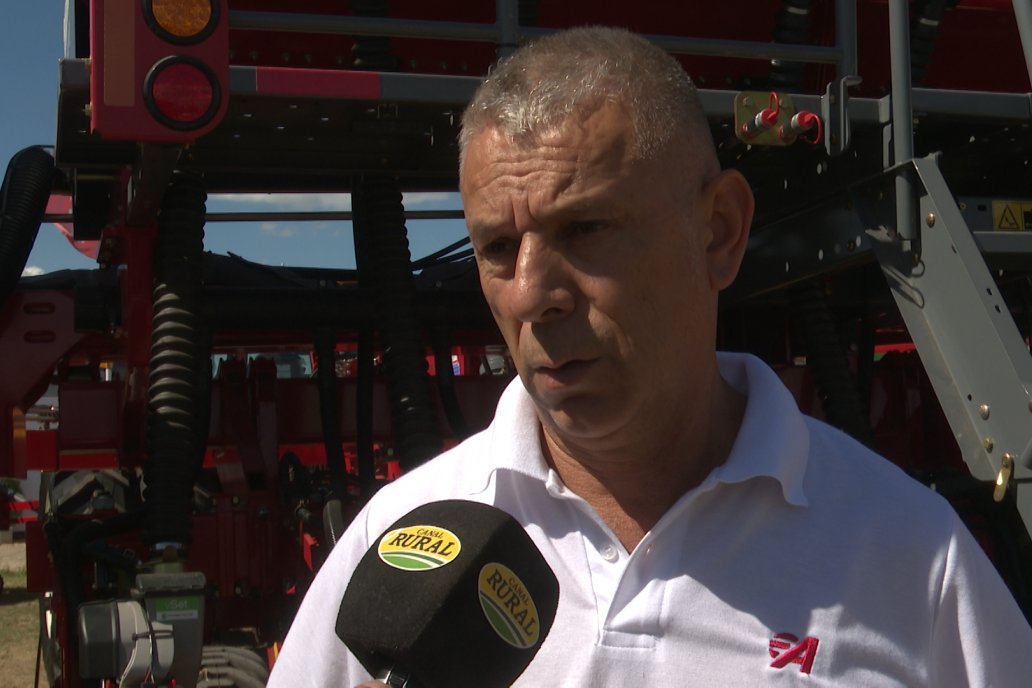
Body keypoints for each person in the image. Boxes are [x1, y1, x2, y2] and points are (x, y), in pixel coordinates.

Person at [269, 27, 1032, 686]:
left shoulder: (912, 556)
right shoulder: (396, 541)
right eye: (498, 247)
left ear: (719, 232)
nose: (531, 294)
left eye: (586, 229)